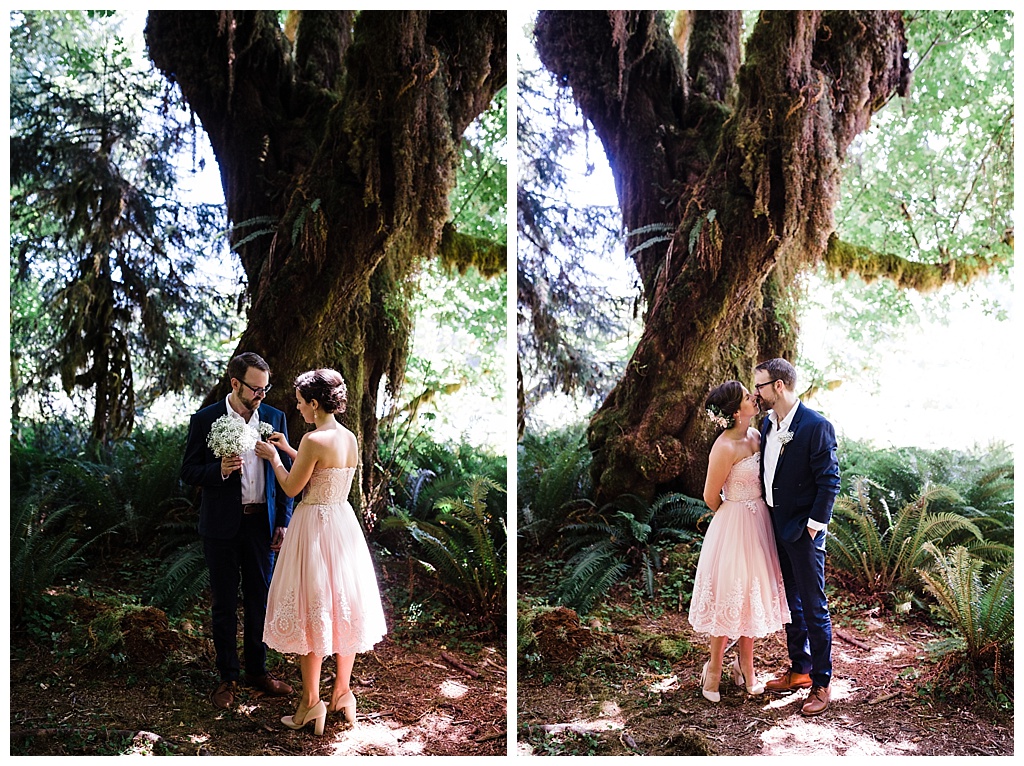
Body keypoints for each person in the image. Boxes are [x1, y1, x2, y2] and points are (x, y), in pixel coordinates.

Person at [254, 368, 387, 735]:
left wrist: (273, 457)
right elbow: (323, 470)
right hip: (342, 526)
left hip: (313, 528)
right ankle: (343, 693)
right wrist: (287, 447)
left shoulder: (314, 438)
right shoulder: (348, 438)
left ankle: (311, 704)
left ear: (314, 404)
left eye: (300, 403)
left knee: (312, 613)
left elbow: (295, 486)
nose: (298, 409)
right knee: (342, 610)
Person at [180, 352, 295, 710]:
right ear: (235, 384)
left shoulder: (275, 418)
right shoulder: (206, 419)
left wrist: (283, 521)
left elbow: (286, 474)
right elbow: (188, 471)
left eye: (265, 388)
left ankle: (257, 671)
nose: (262, 395)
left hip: (262, 523)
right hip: (221, 525)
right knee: (225, 603)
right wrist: (220, 471)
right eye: (255, 389)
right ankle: (226, 676)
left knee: (261, 599)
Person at [688, 381, 791, 703]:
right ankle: (714, 669)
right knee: (727, 597)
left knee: (750, 597)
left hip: (760, 523)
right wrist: (734, 514)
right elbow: (709, 495)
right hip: (733, 525)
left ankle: (746, 666)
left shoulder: (758, 437)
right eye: (748, 397)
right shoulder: (724, 446)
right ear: (736, 411)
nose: (754, 398)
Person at [753, 358, 840, 717]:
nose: (755, 392)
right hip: (776, 526)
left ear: (778, 386)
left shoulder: (816, 426)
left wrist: (814, 526)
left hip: (804, 532)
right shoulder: (767, 423)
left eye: (759, 385)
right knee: (791, 603)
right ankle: (800, 670)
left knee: (814, 606)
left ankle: (822, 682)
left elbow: (829, 480)